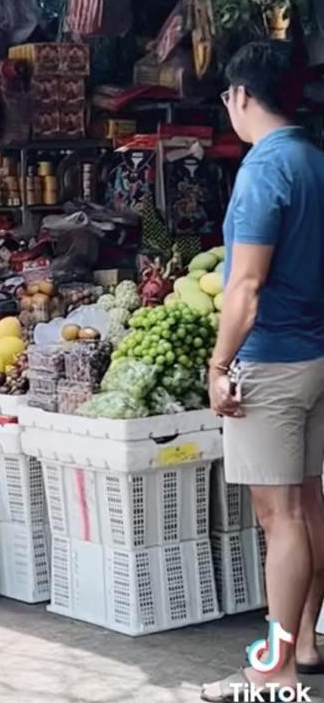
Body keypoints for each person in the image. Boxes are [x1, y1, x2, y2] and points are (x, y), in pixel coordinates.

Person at [202, 42, 324, 702]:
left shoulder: (262, 170)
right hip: (315, 358)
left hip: (271, 363)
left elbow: (243, 287)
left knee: (278, 519)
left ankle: (272, 672)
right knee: (306, 504)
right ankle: (304, 642)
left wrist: (219, 363)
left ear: (241, 95)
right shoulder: (314, 160)